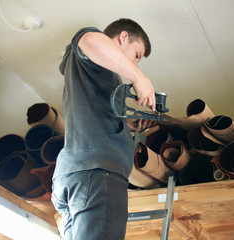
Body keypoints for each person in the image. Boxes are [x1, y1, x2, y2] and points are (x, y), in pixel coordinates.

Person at [51, 18, 157, 240]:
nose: (136, 63)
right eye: (137, 55)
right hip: (97, 175)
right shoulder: (90, 44)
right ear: (123, 37)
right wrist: (139, 78)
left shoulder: (92, 72)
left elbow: (92, 111)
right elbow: (89, 39)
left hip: (75, 176)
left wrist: (125, 125)